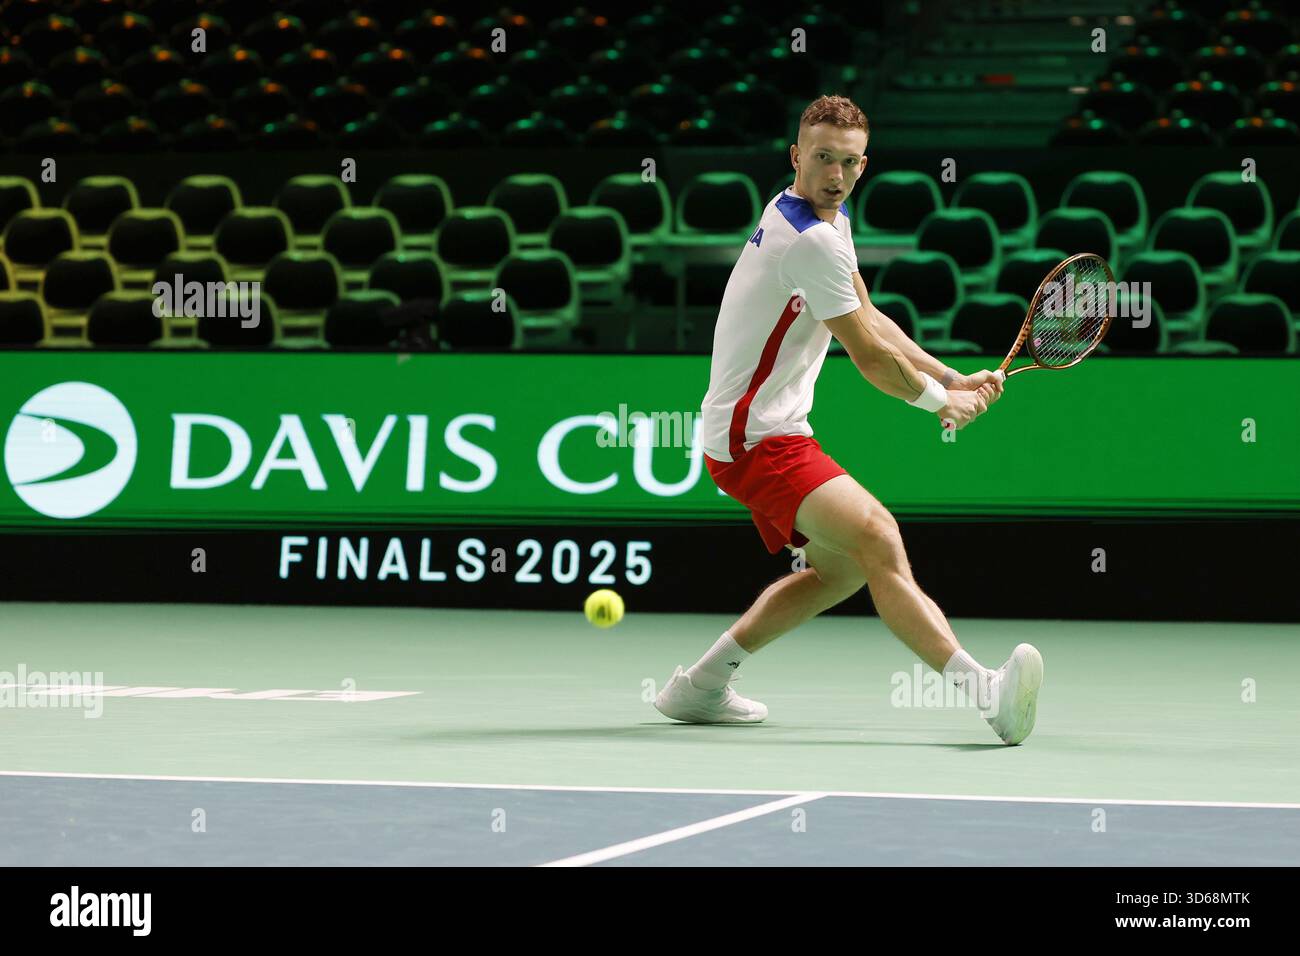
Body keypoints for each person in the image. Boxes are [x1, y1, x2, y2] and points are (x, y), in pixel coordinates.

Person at [653, 94, 1042, 745]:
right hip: (754, 440)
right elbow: (865, 356)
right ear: (795, 155)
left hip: (766, 432)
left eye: (849, 162)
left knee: (838, 571)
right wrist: (939, 406)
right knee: (879, 537)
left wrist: (949, 376)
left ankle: (698, 686)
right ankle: (986, 692)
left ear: (864, 165)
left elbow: (871, 318)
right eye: (823, 158)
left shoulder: (825, 221)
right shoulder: (807, 241)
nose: (835, 174)